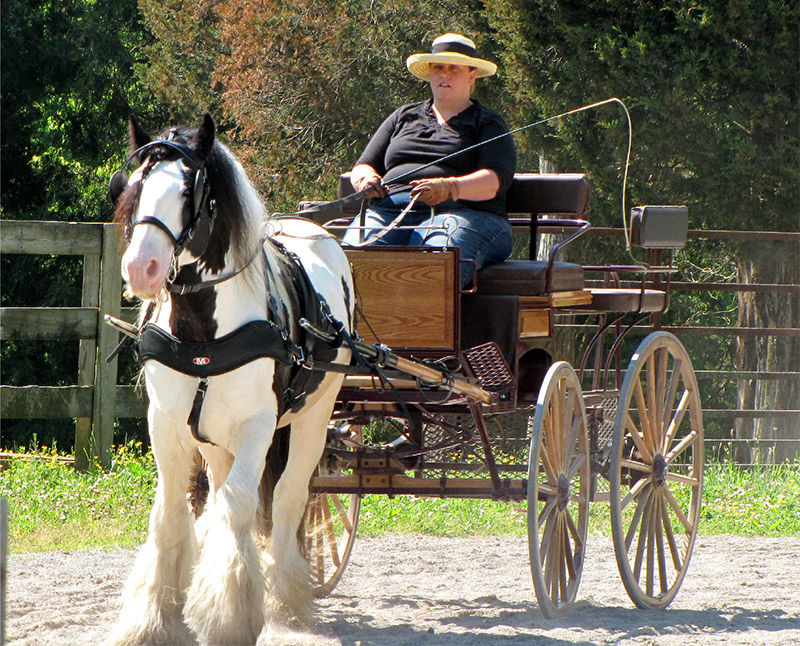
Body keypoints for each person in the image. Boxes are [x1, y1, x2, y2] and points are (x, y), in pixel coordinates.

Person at [341, 33, 517, 289]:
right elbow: (363, 165)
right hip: (388, 212)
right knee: (351, 263)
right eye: (438, 67)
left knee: (432, 262)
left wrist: (449, 188)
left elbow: (493, 181)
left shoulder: (488, 123)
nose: (445, 74)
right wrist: (366, 180)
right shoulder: (403, 116)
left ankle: (424, 315)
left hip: (463, 214)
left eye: (454, 68)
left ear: (471, 76)